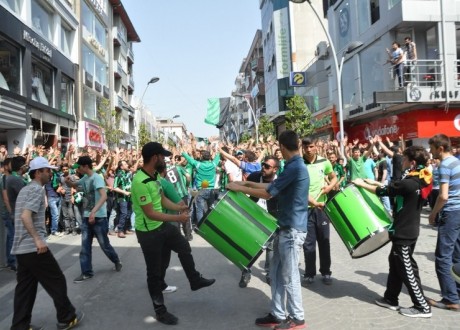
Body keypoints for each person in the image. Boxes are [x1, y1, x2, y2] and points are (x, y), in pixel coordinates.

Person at [227, 130, 309, 330]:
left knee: (289, 276)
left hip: (292, 230)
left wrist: (241, 188)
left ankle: (297, 318)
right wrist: (246, 182)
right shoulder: (293, 166)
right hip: (284, 228)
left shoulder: (295, 168)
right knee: (277, 273)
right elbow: (273, 186)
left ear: (281, 147)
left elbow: (268, 193)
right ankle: (278, 314)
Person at [131, 142, 215, 326]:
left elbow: (161, 199)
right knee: (154, 272)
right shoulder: (140, 182)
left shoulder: (153, 177)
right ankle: (160, 311)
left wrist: (179, 207)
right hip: (149, 233)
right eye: (163, 156)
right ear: (155, 158)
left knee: (184, 247)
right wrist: (177, 219)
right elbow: (150, 213)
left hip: (161, 226)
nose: (165, 160)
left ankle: (194, 279)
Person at [353, 145, 432, 318]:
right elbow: (393, 186)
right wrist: (371, 181)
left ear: (411, 163)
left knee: (407, 269)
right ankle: (390, 298)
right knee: (395, 263)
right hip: (407, 229)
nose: (401, 161)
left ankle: (422, 306)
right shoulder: (417, 179)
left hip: (404, 233)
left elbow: (384, 190)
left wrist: (361, 183)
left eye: (404, 159)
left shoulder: (410, 183)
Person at [10, 157, 84, 330]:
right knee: (57, 280)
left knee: (25, 289)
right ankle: (67, 317)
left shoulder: (26, 189)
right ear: (38, 172)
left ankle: (20, 325)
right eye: (47, 170)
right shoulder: (35, 190)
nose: (51, 173)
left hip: (22, 248)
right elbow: (25, 216)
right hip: (33, 247)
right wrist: (37, 239)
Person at [66, 156, 122, 283]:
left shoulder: (97, 178)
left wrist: (93, 212)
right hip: (87, 217)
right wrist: (68, 181)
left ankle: (116, 260)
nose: (78, 170)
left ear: (85, 166)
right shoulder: (85, 178)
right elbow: (74, 184)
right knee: (85, 247)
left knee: (104, 245)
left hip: (99, 218)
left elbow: (103, 196)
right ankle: (86, 272)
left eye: (79, 167)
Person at [427, 134, 460, 311]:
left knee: (443, 257)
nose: (430, 152)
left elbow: (443, 196)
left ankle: (450, 298)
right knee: (457, 255)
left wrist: (433, 214)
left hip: (451, 212)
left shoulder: (445, 166)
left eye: (432, 148)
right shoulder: (457, 161)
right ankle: (457, 293)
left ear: (440, 148)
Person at [239, 155, 279, 288]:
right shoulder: (254, 177)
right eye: (263, 164)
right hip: (253, 216)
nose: (263, 167)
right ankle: (246, 271)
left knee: (271, 247)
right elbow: (243, 194)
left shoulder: (280, 181)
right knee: (248, 245)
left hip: (271, 218)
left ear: (275, 169)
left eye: (267, 166)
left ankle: (270, 274)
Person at [301, 138, 337, 286]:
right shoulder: (299, 164)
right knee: (308, 243)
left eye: (311, 146)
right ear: (302, 148)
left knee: (324, 241)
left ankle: (326, 272)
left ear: (316, 147)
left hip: (322, 208)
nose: (308, 150)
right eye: (306, 147)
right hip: (305, 209)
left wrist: (329, 188)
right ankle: (309, 273)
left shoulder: (324, 162)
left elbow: (333, 177)